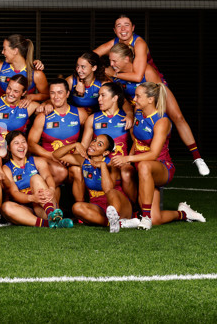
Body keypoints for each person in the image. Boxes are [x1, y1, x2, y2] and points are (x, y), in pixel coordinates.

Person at [97, 16, 209, 176]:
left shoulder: (139, 43)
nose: (123, 29)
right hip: (135, 92)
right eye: (119, 26)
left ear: (133, 28)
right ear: (114, 30)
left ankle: (197, 157)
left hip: (152, 84)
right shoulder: (113, 45)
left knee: (177, 117)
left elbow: (137, 75)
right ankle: (136, 160)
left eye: (126, 25)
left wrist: (113, 73)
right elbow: (92, 56)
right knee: (135, 123)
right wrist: (96, 67)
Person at [110, 82, 206, 230]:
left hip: (160, 167)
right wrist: (129, 159)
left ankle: (144, 217)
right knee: (157, 218)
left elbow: (154, 154)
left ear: (150, 99)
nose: (134, 99)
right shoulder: (138, 113)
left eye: (138, 96)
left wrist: (127, 158)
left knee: (144, 165)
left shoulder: (162, 121)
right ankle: (183, 214)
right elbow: (137, 141)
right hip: (141, 168)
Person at [53, 135, 136, 233]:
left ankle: (118, 219)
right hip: (98, 206)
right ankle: (118, 224)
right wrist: (75, 145)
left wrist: (102, 166)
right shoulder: (84, 161)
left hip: (118, 205)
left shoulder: (112, 164)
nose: (93, 144)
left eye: (99, 144)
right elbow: (56, 155)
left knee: (112, 192)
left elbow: (108, 189)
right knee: (76, 207)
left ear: (105, 152)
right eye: (94, 140)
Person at [1, 130, 72, 228]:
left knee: (35, 178)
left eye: (23, 142)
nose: (21, 146)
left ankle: (51, 214)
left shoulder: (37, 161)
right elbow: (14, 193)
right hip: (26, 210)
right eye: (16, 143)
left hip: (44, 205)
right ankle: (50, 223)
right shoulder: (6, 168)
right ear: (8, 147)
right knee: (6, 207)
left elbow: (48, 177)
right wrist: (33, 198)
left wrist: (51, 189)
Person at [27, 79, 88, 192]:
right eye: (52, 93)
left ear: (67, 94)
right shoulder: (43, 116)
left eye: (60, 92)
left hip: (70, 160)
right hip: (49, 160)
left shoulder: (80, 114)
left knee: (78, 171)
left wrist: (71, 157)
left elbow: (88, 139)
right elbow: (31, 144)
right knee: (60, 171)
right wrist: (52, 156)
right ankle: (51, 206)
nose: (56, 97)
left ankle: (80, 206)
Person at [80, 82, 136, 200]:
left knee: (126, 172)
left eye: (103, 95)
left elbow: (137, 142)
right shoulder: (93, 119)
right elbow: (84, 145)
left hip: (119, 164)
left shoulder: (127, 118)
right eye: (99, 96)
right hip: (99, 163)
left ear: (115, 98)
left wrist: (128, 160)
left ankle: (133, 208)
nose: (99, 99)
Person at [0, 75, 40, 159]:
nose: (10, 93)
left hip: (18, 152)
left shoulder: (29, 107)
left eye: (16, 91)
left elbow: (49, 106)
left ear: (23, 93)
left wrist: (46, 105)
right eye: (9, 88)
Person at [0, 34, 48, 105]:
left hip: (24, 112)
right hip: (1, 111)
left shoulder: (36, 74)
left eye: (4, 49)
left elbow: (47, 94)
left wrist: (32, 97)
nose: (2, 52)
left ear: (15, 51)